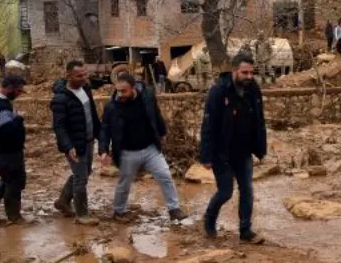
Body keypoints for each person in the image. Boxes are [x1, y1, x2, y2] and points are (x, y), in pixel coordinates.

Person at [99, 73, 187, 223]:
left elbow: (156, 114)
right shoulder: (112, 107)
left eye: (124, 91)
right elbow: (105, 129)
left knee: (165, 175)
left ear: (133, 88)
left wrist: (162, 132)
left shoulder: (147, 97)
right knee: (124, 183)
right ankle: (119, 211)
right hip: (127, 151)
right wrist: (103, 150)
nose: (120, 94)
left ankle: (174, 209)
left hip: (150, 148)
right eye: (118, 91)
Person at [200, 53, 266, 244]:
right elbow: (208, 125)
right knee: (226, 192)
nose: (249, 76)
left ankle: (245, 230)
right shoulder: (219, 92)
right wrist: (206, 156)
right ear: (234, 70)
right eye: (244, 72)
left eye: (251, 73)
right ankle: (210, 219)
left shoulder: (253, 89)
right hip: (222, 152)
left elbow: (259, 120)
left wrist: (260, 149)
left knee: (247, 190)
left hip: (244, 151)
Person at [51, 61, 101, 225]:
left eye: (85, 74)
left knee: (84, 173)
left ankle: (63, 202)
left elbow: (92, 113)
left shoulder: (85, 89)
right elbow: (59, 126)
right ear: (68, 76)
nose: (84, 78)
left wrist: (99, 135)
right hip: (74, 144)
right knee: (81, 178)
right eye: (79, 76)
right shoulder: (60, 99)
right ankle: (82, 215)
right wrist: (68, 146)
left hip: (88, 139)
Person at [0, 75, 27, 225]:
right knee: (13, 182)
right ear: (9, 88)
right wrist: (19, 119)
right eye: (18, 91)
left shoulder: (5, 103)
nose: (19, 93)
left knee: (8, 180)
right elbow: (6, 129)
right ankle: (14, 216)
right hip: (6, 152)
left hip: (9, 151)